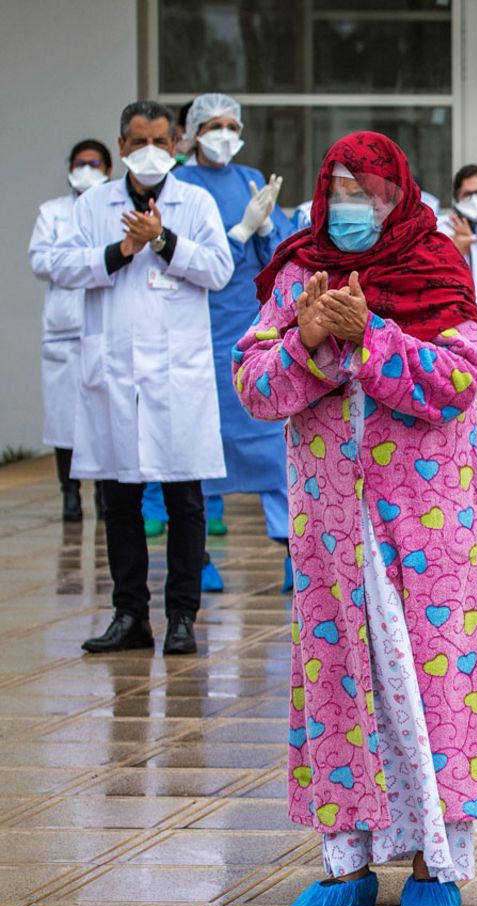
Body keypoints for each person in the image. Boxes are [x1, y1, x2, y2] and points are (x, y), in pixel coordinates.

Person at [236, 130, 477, 906]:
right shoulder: (298, 271)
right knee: (339, 683)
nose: (355, 208)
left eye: (371, 192)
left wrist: (372, 338)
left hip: (424, 535)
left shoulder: (434, 265)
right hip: (331, 532)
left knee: (433, 682)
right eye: (342, 191)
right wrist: (312, 338)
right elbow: (256, 384)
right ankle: (347, 858)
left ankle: (438, 858)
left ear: (400, 193)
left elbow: (458, 380)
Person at [48, 100, 233, 657]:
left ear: (175, 145)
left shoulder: (194, 201)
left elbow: (219, 269)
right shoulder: (94, 205)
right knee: (119, 499)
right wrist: (122, 249)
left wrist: (162, 240)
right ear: (122, 146)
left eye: (160, 141)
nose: (149, 151)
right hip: (115, 374)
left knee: (185, 500)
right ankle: (130, 614)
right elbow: (62, 266)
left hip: (178, 377)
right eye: (138, 141)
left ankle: (181, 617)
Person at [172, 92, 297, 582]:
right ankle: (198, 556)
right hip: (199, 329)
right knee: (201, 441)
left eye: (231, 125)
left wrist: (266, 227)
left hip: (253, 328)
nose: (224, 134)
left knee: (271, 437)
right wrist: (239, 233)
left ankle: (293, 553)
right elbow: (185, 259)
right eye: (213, 125)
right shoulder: (179, 186)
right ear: (193, 132)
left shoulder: (249, 179)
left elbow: (283, 257)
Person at [31, 139, 110, 523]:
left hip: (105, 325)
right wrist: (84, 258)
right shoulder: (53, 212)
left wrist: (80, 261)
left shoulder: (114, 209)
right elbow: (41, 260)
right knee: (64, 421)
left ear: (109, 168)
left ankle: (102, 495)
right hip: (64, 329)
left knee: (102, 416)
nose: (86, 169)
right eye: (80, 163)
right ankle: (69, 493)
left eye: (94, 163)